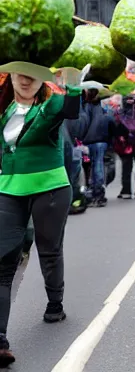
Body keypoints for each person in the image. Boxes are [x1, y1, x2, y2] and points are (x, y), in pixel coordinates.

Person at [0, 62, 83, 367]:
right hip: (8, 189)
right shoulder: (4, 109)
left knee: (48, 250)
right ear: (10, 75)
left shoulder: (49, 107)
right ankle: (0, 340)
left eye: (33, 75)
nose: (26, 80)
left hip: (50, 187)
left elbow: (69, 110)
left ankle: (55, 302)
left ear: (42, 81)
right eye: (20, 73)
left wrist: (72, 85)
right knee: (3, 262)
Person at [82, 89, 115, 207]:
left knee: (89, 166)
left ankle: (90, 190)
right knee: (98, 164)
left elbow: (83, 123)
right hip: (101, 139)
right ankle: (99, 191)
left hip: (87, 140)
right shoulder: (103, 108)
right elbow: (111, 122)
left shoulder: (85, 107)